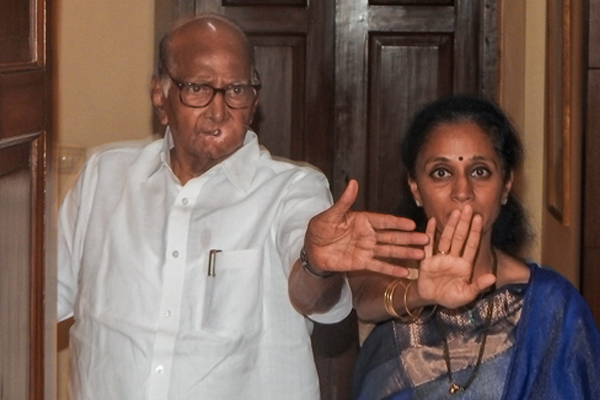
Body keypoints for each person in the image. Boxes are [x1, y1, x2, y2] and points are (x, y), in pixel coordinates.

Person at [57, 13, 430, 400]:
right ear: (159, 95)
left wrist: (316, 265)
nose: (218, 111)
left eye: (235, 90)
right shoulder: (104, 176)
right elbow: (41, 299)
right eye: (198, 88)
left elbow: (313, 297)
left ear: (253, 103)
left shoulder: (292, 190)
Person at [350, 95, 600, 400]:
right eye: (441, 172)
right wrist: (419, 294)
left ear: (506, 185)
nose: (462, 191)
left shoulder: (551, 305)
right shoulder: (383, 279)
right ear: (415, 188)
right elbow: (356, 299)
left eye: (479, 171)